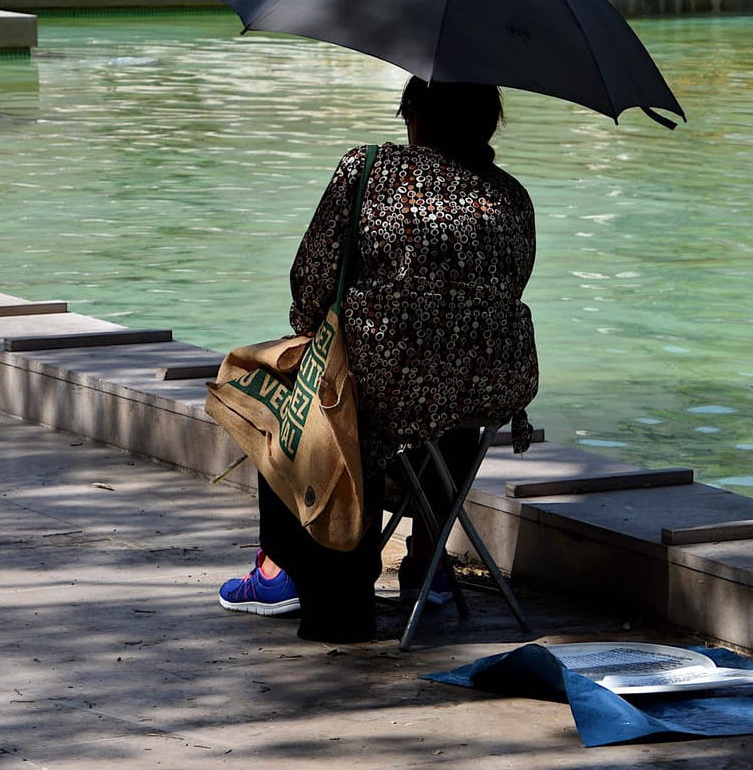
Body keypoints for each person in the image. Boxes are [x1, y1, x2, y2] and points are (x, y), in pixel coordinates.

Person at [218, 77, 542, 642]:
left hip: (374, 399)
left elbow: (310, 289)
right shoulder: (512, 198)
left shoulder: (369, 172)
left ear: (415, 114)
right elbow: (507, 290)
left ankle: (286, 567)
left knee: (283, 386)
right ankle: (427, 559)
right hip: (478, 400)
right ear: (488, 120)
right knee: (448, 384)